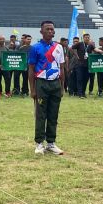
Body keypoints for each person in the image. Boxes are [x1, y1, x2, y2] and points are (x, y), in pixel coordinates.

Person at [29, 20, 65, 155]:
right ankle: (39, 143)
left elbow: (62, 68)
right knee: (40, 114)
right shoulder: (35, 48)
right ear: (41, 32)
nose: (50, 31)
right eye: (47, 29)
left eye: (52, 29)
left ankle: (51, 143)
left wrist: (62, 87)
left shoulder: (59, 47)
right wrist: (32, 89)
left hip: (55, 84)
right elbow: (31, 69)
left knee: (53, 114)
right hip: (41, 83)